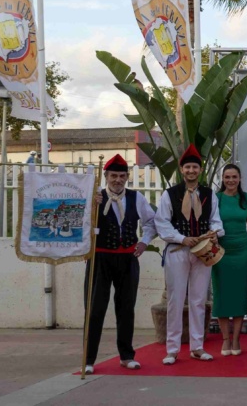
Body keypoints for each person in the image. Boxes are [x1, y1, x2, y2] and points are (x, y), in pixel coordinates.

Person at [84, 154, 157, 374]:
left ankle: (126, 356)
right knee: (95, 309)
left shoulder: (137, 198)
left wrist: (144, 242)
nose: (118, 179)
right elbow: (80, 225)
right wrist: (91, 208)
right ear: (106, 176)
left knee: (126, 308)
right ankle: (88, 360)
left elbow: (152, 222)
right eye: (113, 175)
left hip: (128, 259)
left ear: (127, 177)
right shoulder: (94, 197)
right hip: (100, 259)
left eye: (122, 175)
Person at [155, 144, 224, 364]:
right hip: (178, 250)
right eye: (188, 167)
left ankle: (197, 346)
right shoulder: (170, 194)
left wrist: (214, 234)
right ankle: (172, 349)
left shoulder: (209, 194)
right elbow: (162, 223)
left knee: (198, 299)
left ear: (200, 170)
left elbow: (216, 220)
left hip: (202, 252)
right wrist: (182, 238)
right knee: (175, 299)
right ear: (181, 169)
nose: (191, 171)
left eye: (195, 167)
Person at [212, 163, 247, 357]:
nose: (230, 180)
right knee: (221, 295)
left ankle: (236, 339)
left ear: (240, 178)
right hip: (220, 252)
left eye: (234, 177)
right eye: (227, 177)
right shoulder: (216, 198)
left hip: (241, 251)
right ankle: (225, 340)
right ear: (223, 179)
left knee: (239, 294)